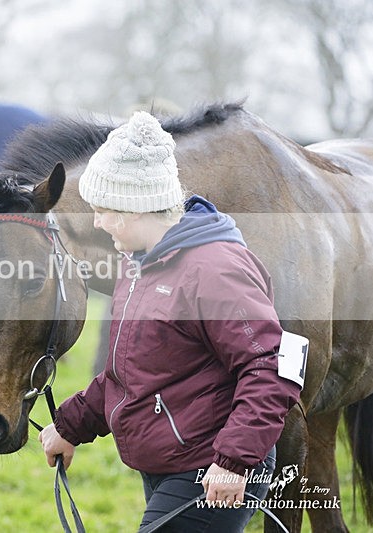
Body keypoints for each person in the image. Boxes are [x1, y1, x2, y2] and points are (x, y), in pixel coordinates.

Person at [38, 112, 302, 531]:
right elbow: (126, 374)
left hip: (211, 466)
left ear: (136, 206)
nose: (98, 222)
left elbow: (271, 366)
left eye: (105, 210)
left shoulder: (215, 270)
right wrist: (69, 425)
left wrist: (233, 461)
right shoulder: (137, 265)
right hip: (169, 461)